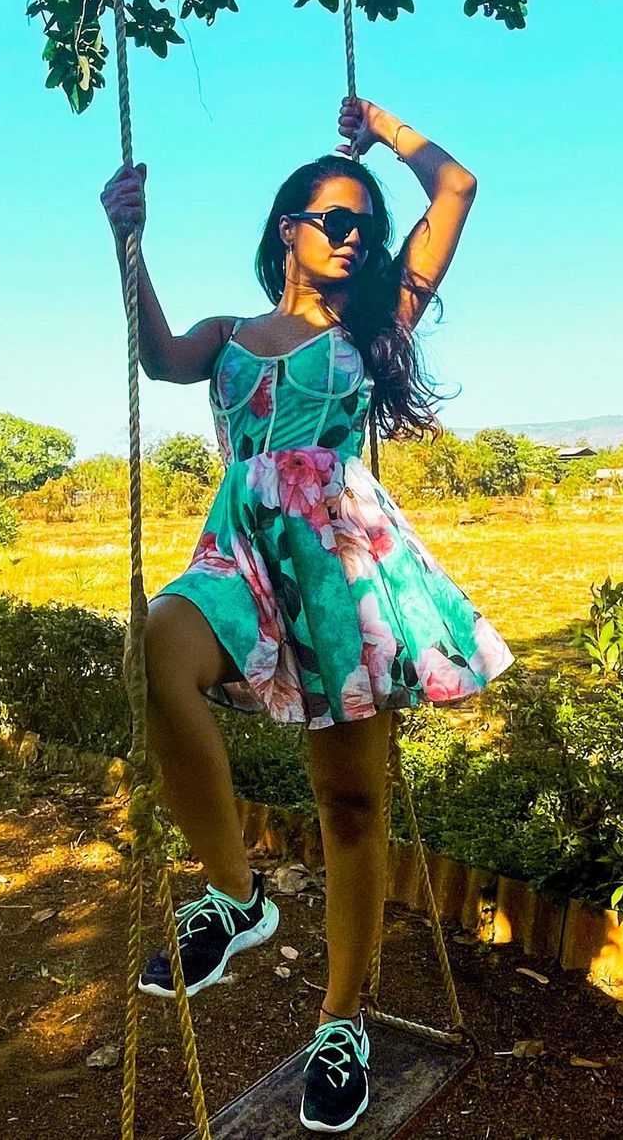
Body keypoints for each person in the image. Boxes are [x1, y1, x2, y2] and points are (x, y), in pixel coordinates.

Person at [100, 96, 514, 1133]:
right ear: (288, 227)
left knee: (352, 807)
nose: (354, 238)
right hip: (238, 547)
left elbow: (457, 186)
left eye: (365, 227)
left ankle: (344, 1020)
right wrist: (127, 243)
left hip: (341, 564)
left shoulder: (376, 325)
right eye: (334, 220)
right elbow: (158, 357)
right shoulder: (231, 335)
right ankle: (236, 896)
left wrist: (383, 129)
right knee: (157, 654)